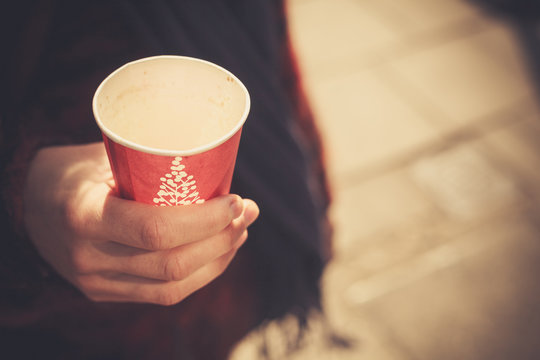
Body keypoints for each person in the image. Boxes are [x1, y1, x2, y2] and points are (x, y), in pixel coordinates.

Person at [0, 1, 332, 359]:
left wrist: (313, 194)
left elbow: (275, 70)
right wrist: (20, 199)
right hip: (68, 335)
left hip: (225, 313)